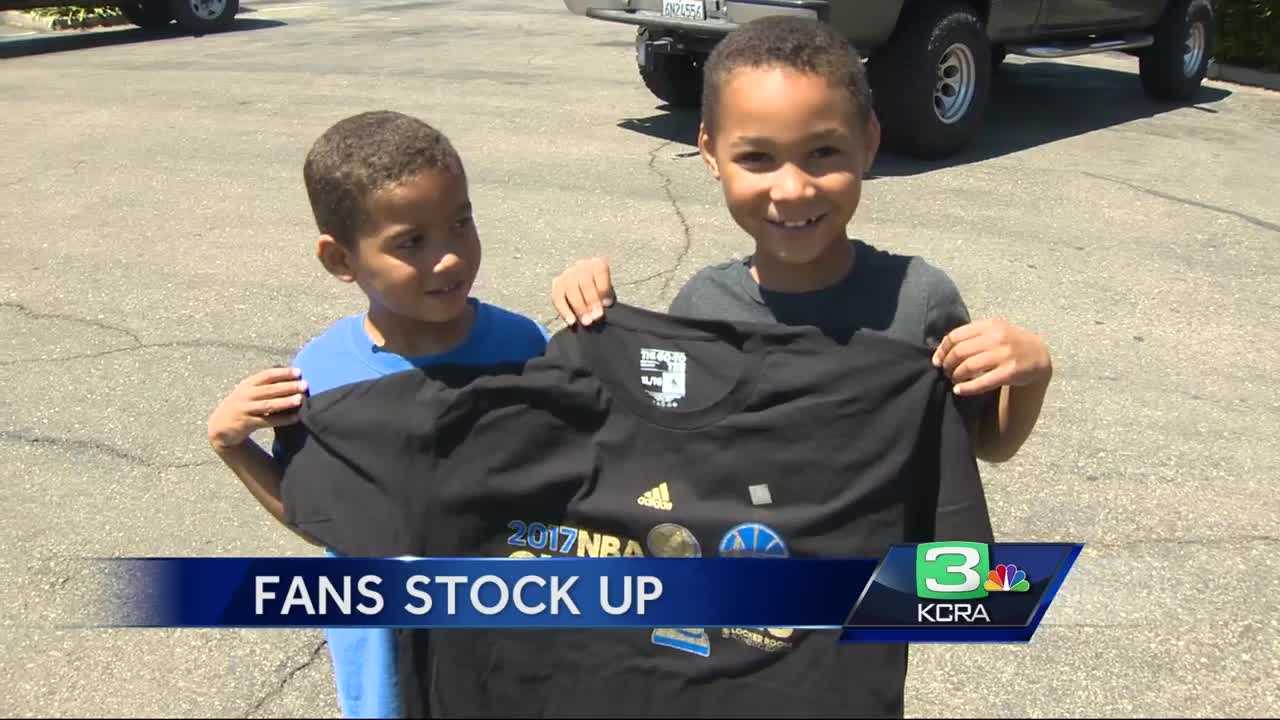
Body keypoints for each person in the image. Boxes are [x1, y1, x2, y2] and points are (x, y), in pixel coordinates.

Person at [550, 16, 1052, 464]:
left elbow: (985, 442)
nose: (792, 190)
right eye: (757, 158)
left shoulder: (919, 301)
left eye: (824, 151)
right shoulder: (701, 307)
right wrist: (596, 317)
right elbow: (661, 442)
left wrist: (1030, 374)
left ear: (869, 142)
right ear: (710, 152)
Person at [204, 110, 549, 718]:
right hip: (386, 669)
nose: (449, 258)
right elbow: (324, 518)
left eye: (461, 222)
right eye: (411, 242)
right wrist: (233, 447)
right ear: (340, 260)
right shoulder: (320, 377)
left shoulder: (524, 348)